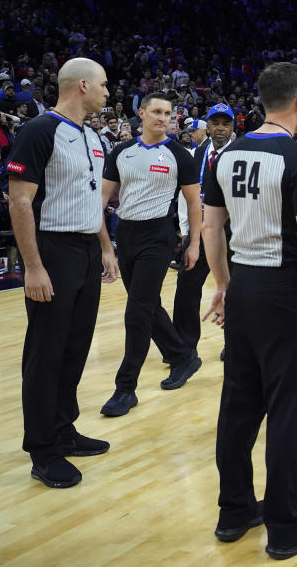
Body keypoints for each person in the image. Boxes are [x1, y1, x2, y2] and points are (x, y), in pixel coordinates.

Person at [202, 61, 297, 560]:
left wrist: (223, 286)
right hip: (285, 292)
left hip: (242, 287)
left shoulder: (226, 153)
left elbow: (211, 229)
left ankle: (234, 510)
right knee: (289, 409)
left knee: (238, 406)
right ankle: (286, 527)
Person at [6, 57, 119, 488]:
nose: (109, 93)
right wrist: (32, 267)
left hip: (87, 250)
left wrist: (105, 247)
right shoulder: (38, 131)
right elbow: (18, 202)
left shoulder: (91, 136)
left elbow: (94, 200)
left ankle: (63, 429)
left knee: (75, 347)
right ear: (84, 86)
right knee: (46, 352)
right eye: (105, 86)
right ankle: (42, 449)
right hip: (52, 250)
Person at [99, 92, 203, 417]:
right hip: (126, 234)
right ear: (141, 113)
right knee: (148, 306)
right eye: (156, 111)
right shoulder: (120, 152)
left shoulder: (180, 155)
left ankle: (125, 389)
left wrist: (194, 243)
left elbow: (193, 202)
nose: (162, 117)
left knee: (137, 311)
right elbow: (100, 200)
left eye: (168, 113)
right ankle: (182, 355)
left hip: (159, 236)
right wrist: (104, 246)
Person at [172, 103, 235, 359]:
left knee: (235, 289)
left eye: (225, 124)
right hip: (200, 232)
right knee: (186, 286)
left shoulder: (241, 153)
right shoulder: (196, 154)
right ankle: (183, 346)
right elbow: (187, 196)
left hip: (232, 233)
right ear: (206, 127)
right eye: (215, 123)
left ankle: (235, 341)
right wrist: (186, 231)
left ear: (233, 128)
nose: (220, 128)